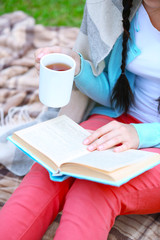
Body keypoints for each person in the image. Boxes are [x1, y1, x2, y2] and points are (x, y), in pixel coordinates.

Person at [0, 0, 160, 239]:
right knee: (52, 166)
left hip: (150, 140)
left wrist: (141, 134)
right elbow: (115, 95)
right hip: (118, 121)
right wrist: (77, 66)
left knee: (96, 188)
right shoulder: (125, 8)